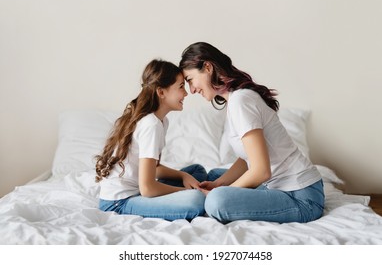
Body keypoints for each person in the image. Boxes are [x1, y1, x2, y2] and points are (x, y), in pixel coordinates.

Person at [179, 42, 324, 223]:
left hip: (301, 197)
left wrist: (221, 191)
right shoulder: (235, 100)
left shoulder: (241, 101)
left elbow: (261, 171)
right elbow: (247, 157)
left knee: (217, 201)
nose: (191, 90)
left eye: (190, 80)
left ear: (207, 67)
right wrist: (218, 183)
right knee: (215, 174)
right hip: (281, 187)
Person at [95, 59, 207, 221]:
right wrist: (188, 193)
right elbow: (147, 188)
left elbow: (154, 168)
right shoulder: (151, 125)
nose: (186, 93)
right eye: (181, 86)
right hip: (119, 202)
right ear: (161, 92)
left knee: (196, 171)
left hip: (140, 189)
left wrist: (183, 176)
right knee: (195, 201)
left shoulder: (161, 121)